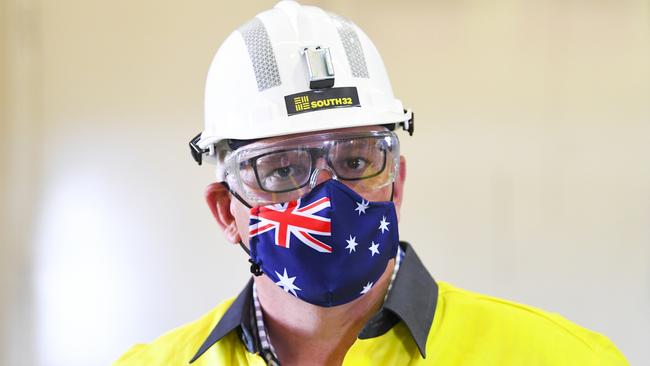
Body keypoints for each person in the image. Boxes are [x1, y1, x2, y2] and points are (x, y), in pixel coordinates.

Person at [114, 1, 628, 365]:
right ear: (226, 211)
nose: (326, 192)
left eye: (357, 160)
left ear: (396, 182)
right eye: (283, 169)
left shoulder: (561, 359)